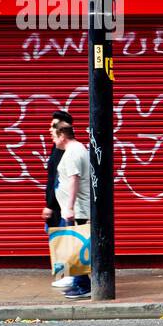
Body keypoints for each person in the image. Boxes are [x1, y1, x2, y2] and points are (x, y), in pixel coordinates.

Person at [52, 121, 92, 299]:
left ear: (62, 135)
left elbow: (74, 179)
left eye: (53, 136)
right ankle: (78, 282)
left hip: (77, 209)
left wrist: (69, 207)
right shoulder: (77, 149)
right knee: (75, 246)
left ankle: (83, 286)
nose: (53, 140)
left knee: (76, 247)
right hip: (77, 208)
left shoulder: (72, 153)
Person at [42, 110, 74, 289]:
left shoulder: (65, 151)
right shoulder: (57, 148)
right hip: (57, 203)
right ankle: (63, 274)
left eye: (53, 125)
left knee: (63, 239)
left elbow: (60, 180)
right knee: (58, 239)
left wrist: (49, 205)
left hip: (60, 205)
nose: (49, 129)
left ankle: (67, 275)